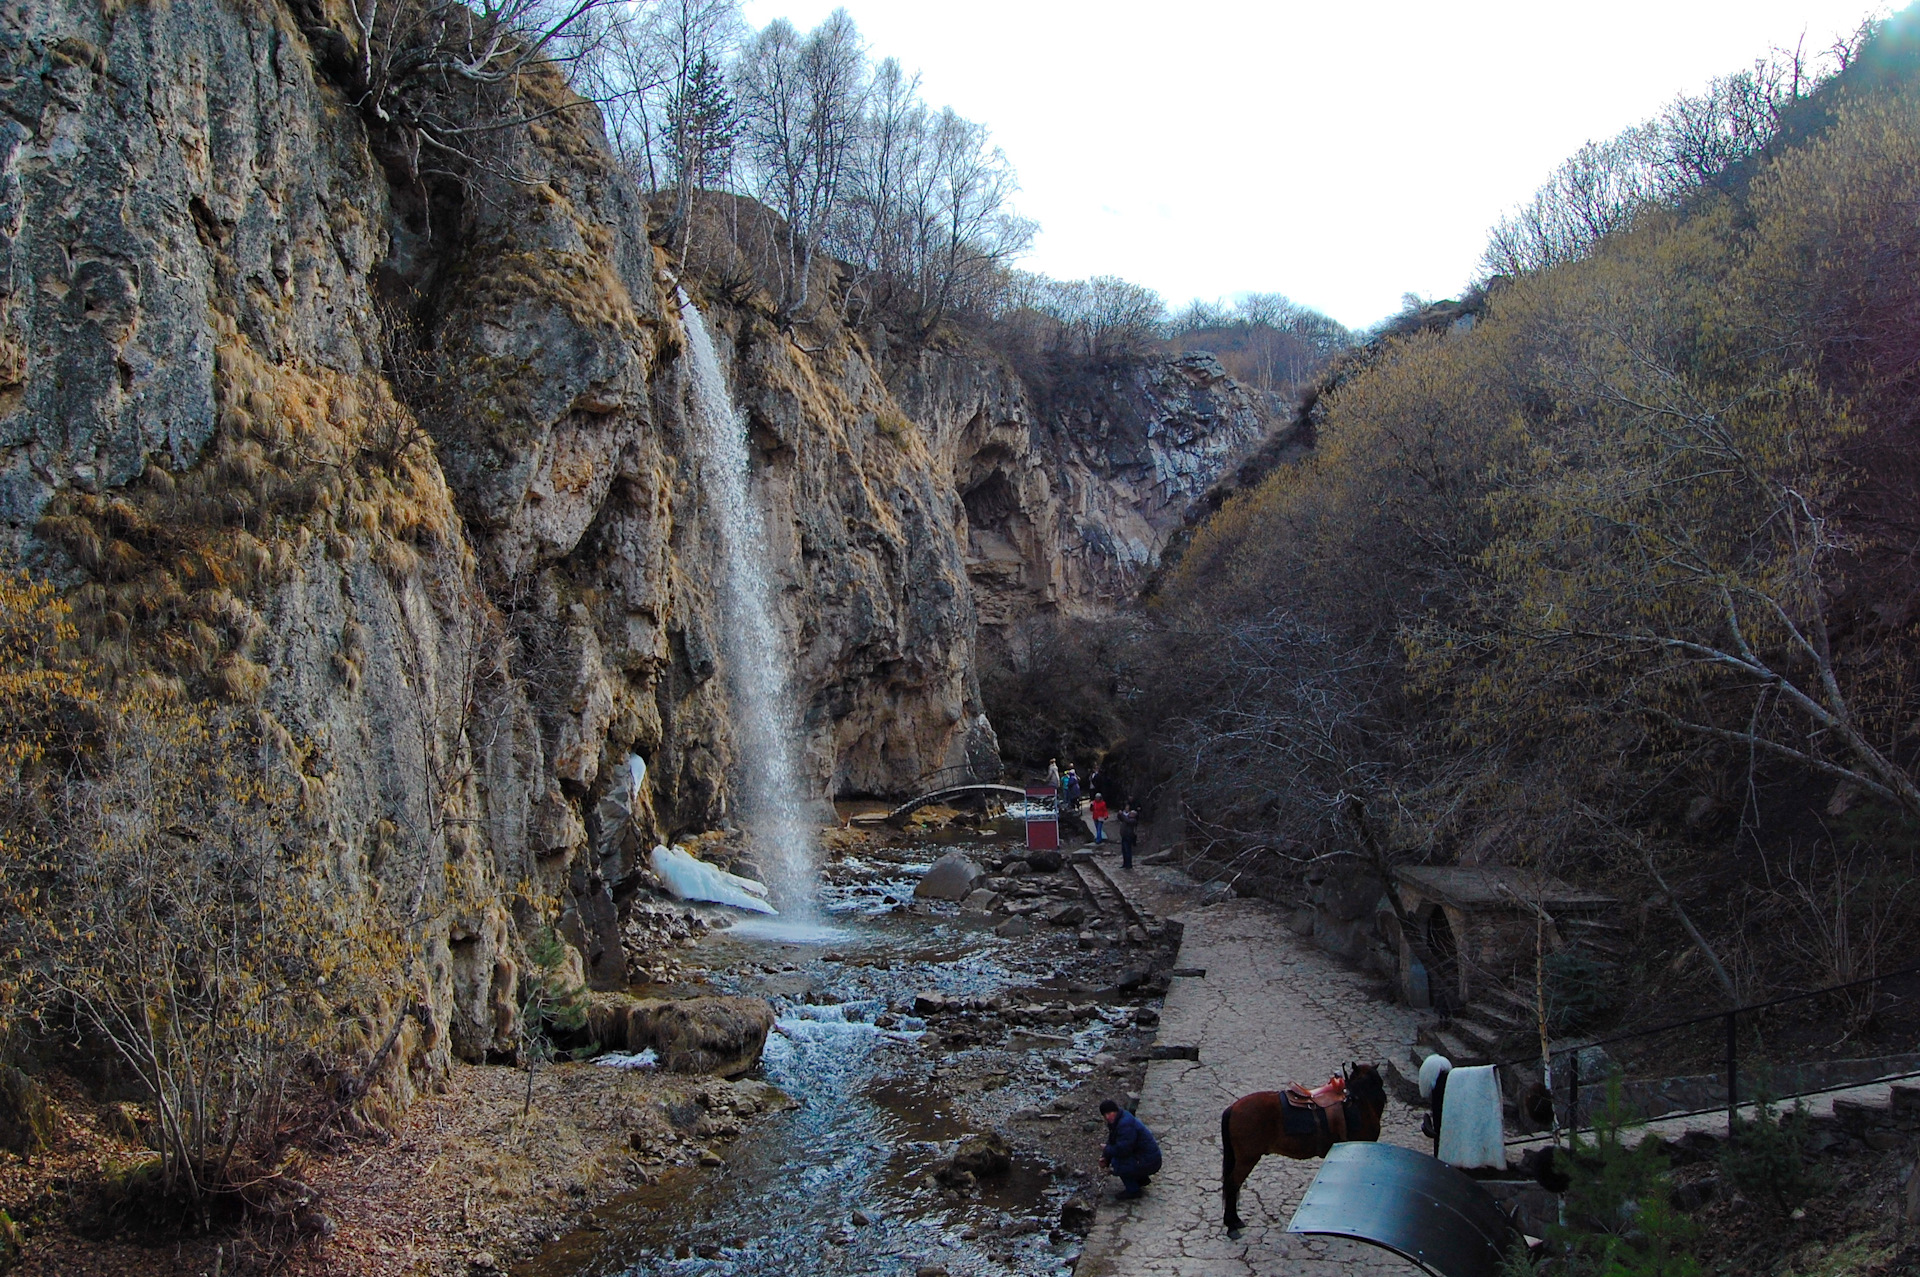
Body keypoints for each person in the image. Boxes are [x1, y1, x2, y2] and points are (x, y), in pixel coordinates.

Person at [1099, 1099, 1162, 1199]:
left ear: (1115, 1111)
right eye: (1105, 1115)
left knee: (1117, 1163)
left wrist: (1107, 1150)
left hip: (1149, 1160)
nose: (1107, 1117)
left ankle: (1133, 1190)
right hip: (1145, 1157)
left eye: (1109, 1113)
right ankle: (1141, 1179)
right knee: (1120, 1160)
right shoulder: (1118, 1121)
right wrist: (1105, 1158)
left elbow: (1123, 1150)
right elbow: (1113, 1141)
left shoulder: (1124, 1124)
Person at [1118, 802, 1140, 869]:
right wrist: (1120, 814)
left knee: (1128, 851)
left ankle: (1129, 864)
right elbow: (1121, 818)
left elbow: (1126, 820)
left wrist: (1122, 815)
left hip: (1128, 837)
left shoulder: (1133, 820)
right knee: (1124, 851)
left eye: (1131, 813)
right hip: (1124, 836)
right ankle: (1125, 863)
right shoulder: (1127, 818)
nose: (1130, 814)